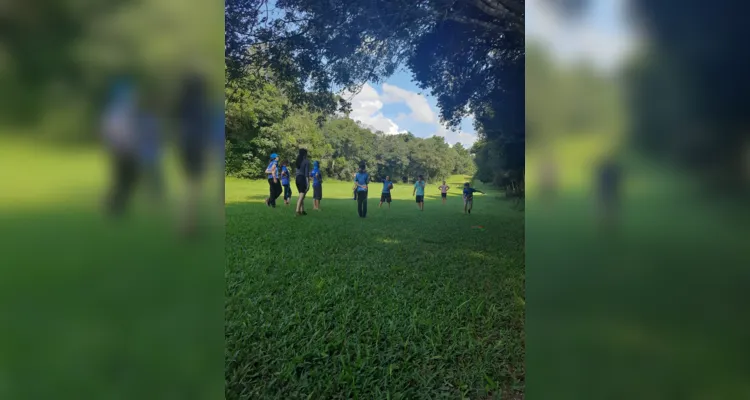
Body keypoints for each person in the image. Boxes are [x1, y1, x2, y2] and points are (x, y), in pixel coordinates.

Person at [101, 76, 139, 217]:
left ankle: (118, 205)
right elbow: (109, 131)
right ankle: (113, 206)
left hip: (129, 149)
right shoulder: (116, 111)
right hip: (120, 150)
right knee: (121, 179)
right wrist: (117, 145)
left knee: (130, 179)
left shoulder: (129, 110)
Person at [295, 149, 311, 216]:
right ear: (305, 154)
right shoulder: (306, 161)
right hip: (302, 178)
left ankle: (302, 210)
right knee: (302, 196)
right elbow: (306, 174)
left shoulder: (298, 161)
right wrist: (308, 184)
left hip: (297, 178)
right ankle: (297, 210)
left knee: (301, 194)